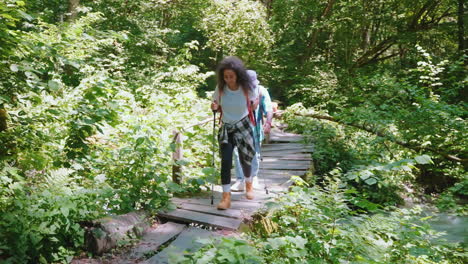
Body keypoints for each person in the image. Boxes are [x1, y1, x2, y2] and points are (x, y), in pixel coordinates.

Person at [211, 56, 259, 210]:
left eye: (231, 76)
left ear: (238, 75)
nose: (228, 79)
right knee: (225, 161)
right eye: (225, 77)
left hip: (243, 126)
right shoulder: (220, 88)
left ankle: (248, 184)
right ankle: (226, 197)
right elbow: (215, 104)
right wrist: (213, 106)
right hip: (227, 127)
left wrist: (254, 104)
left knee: (246, 159)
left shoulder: (246, 87)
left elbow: (255, 102)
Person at [231, 70, 273, 191]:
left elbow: (269, 109)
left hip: (255, 128)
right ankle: (240, 180)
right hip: (237, 127)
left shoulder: (261, 91)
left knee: (254, 153)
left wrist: (268, 123)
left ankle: (253, 177)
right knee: (237, 153)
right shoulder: (236, 91)